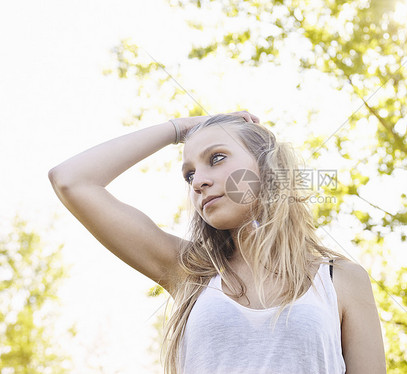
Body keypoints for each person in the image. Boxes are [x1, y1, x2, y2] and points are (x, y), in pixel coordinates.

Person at [48, 111, 386, 374]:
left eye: (217, 158)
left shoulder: (340, 279)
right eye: (189, 174)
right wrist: (181, 129)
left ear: (268, 169)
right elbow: (72, 180)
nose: (198, 182)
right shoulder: (189, 272)